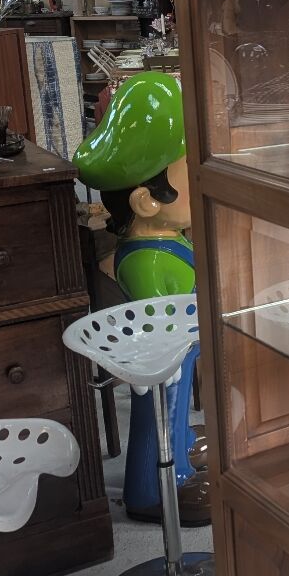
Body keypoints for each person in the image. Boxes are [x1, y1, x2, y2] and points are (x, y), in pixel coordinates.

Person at [73, 73, 209, 525]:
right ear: (147, 201)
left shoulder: (168, 239)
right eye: (191, 172)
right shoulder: (145, 260)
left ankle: (182, 455)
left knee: (177, 413)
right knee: (159, 418)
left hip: (185, 352)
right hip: (163, 364)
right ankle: (153, 489)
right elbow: (157, 331)